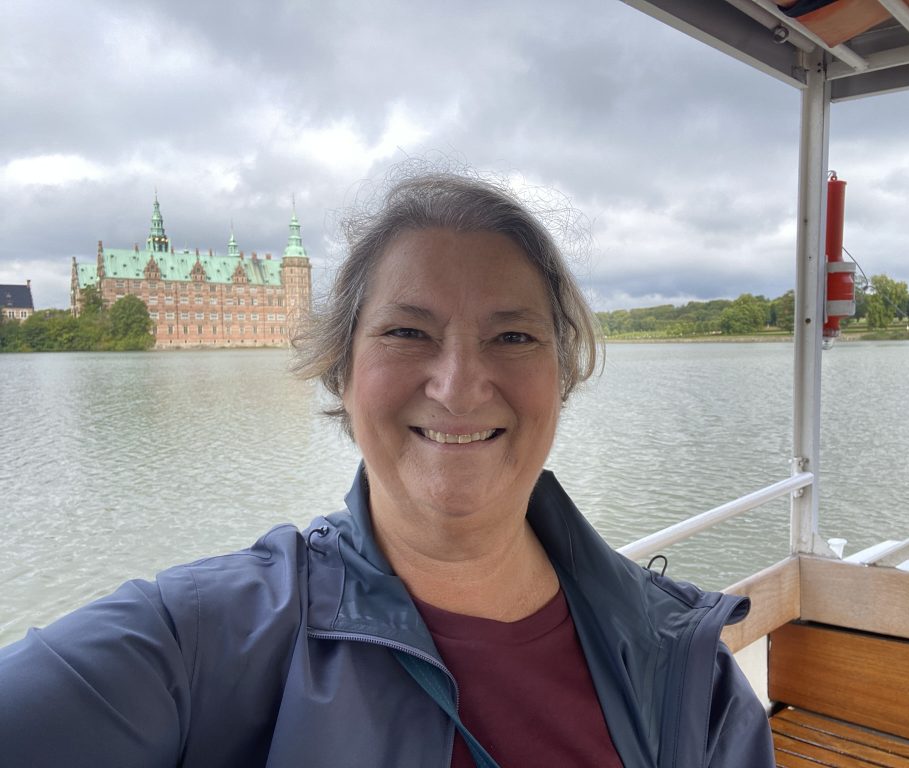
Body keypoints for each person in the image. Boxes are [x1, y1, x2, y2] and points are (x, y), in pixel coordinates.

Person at [0, 171, 776, 767]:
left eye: (512, 337)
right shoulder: (204, 637)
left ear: (563, 375)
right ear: (340, 370)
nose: (459, 385)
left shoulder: (689, 673)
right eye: (407, 331)